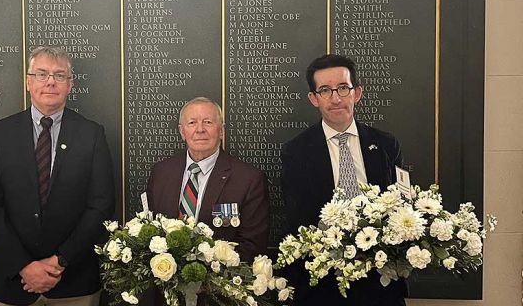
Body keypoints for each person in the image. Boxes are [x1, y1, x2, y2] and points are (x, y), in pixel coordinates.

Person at [0, 46, 115, 306]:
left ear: (70, 84)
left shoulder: (91, 135)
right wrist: (24, 265)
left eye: (59, 75)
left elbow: (100, 206)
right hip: (11, 281)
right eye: (41, 74)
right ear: (28, 82)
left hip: (73, 282)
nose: (50, 81)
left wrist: (60, 261)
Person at [281, 54, 406, 306]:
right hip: (323, 282)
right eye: (325, 90)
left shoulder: (385, 144)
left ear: (357, 93)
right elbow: (299, 218)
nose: (336, 98)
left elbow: (402, 203)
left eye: (343, 88)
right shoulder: (295, 151)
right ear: (313, 99)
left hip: (380, 278)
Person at [146, 97, 270, 262]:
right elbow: (149, 231)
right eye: (192, 123)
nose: (200, 130)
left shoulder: (248, 179)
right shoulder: (161, 172)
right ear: (182, 132)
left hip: (221, 282)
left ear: (221, 131)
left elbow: (252, 244)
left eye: (208, 122)